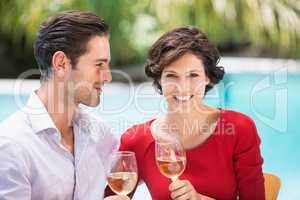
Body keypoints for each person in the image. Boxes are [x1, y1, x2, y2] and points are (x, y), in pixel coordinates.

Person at [106, 26, 265, 200]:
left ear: (208, 77)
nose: (183, 87)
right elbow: (112, 196)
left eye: (193, 75)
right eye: (172, 76)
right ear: (160, 79)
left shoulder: (239, 129)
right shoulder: (137, 140)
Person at [0, 10, 128, 200]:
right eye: (99, 65)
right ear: (61, 63)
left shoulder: (101, 135)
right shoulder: (12, 145)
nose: (108, 77)